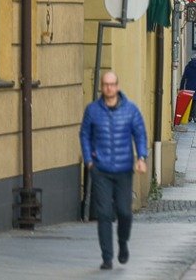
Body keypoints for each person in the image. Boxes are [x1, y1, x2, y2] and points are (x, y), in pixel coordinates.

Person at [80, 71, 148, 270]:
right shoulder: (92, 110)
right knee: (103, 213)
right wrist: (88, 160)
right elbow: (84, 134)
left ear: (117, 86)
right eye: (105, 84)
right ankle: (107, 257)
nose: (109, 88)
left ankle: (123, 243)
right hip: (100, 169)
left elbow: (140, 134)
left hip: (124, 169)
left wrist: (142, 157)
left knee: (124, 212)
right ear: (101, 87)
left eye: (112, 84)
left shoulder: (130, 110)